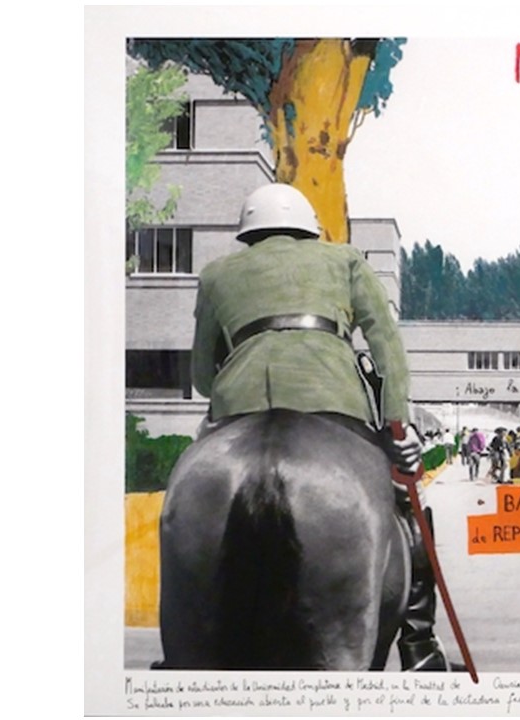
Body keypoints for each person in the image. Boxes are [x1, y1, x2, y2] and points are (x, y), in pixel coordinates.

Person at [190, 182, 457, 672]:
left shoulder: (215, 275)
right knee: (403, 499)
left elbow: (203, 378)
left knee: (188, 495)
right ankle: (420, 642)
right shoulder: (346, 261)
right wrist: (398, 426)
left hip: (240, 404)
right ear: (310, 227)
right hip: (334, 400)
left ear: (247, 232)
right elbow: (386, 344)